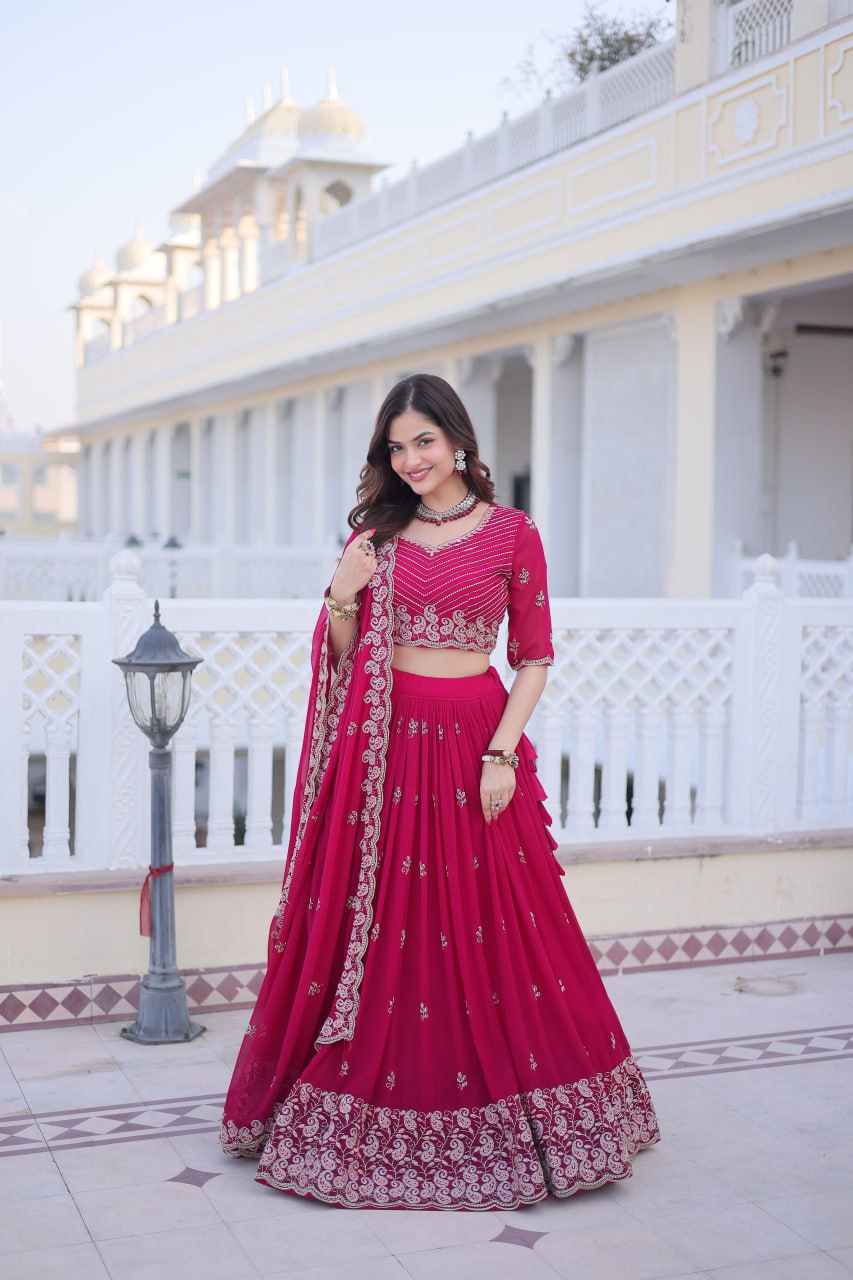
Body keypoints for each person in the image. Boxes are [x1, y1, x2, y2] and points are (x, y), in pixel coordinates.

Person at [220, 373, 659, 1209]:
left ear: (458, 440)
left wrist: (501, 757)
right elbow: (345, 659)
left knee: (499, 922)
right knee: (385, 916)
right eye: (396, 446)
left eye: (423, 440)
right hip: (383, 746)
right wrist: (341, 593)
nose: (410, 459)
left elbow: (533, 658)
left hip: (472, 739)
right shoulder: (376, 536)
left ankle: (522, 1107)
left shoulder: (512, 535)